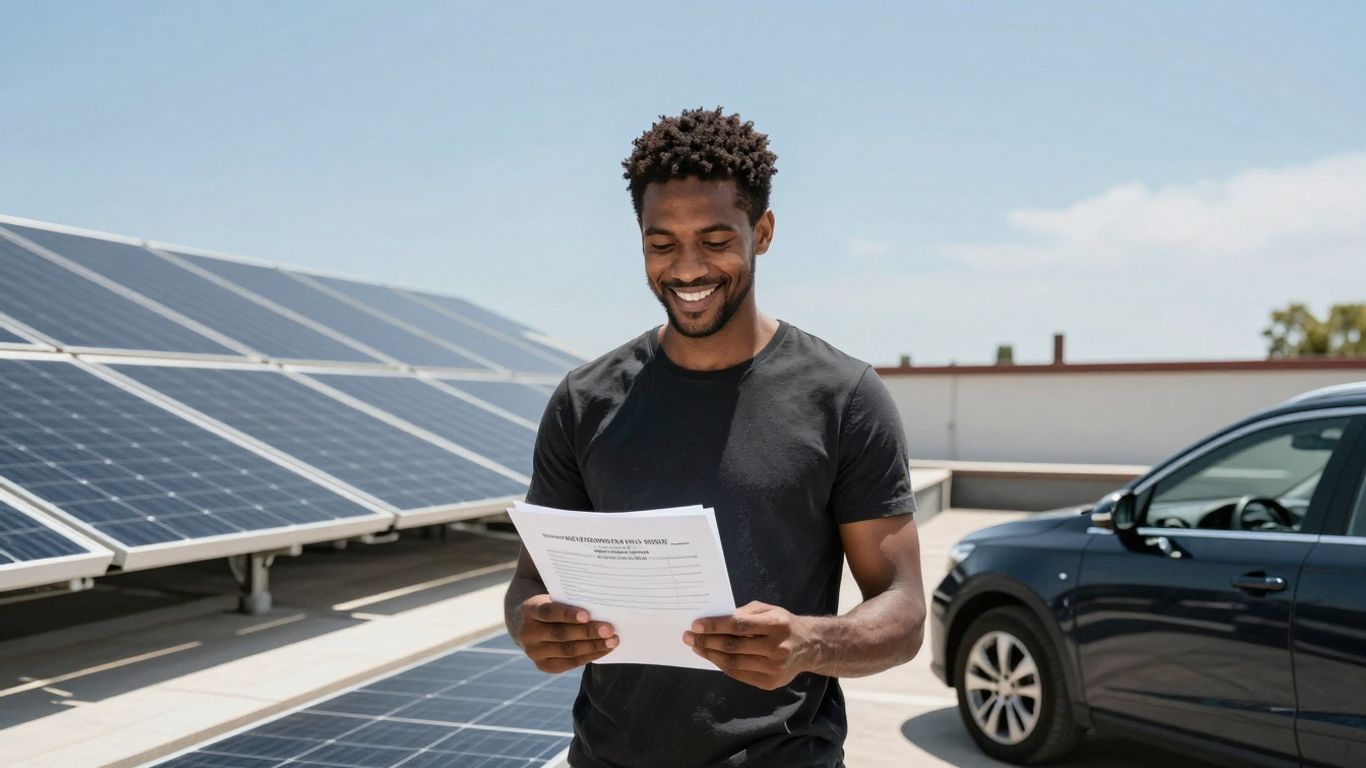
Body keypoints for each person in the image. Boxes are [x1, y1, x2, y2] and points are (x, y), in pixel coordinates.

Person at [503, 107, 925, 768]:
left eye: (715, 239)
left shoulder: (844, 397)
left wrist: (809, 642)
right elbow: (527, 581)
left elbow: (903, 614)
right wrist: (533, 624)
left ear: (762, 231)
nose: (687, 267)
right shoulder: (583, 401)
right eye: (661, 242)